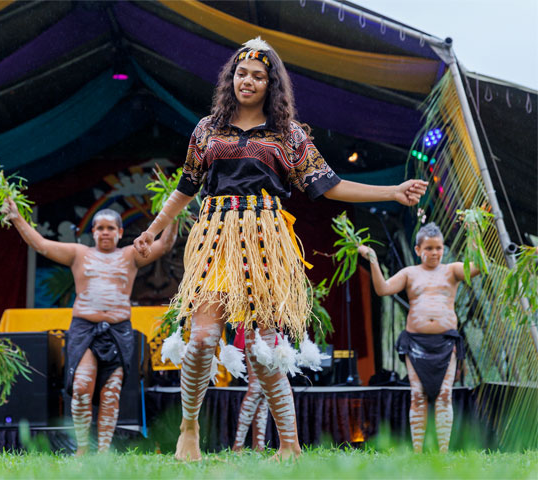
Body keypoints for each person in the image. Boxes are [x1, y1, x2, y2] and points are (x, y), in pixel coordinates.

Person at [133, 37, 428, 460]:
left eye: (258, 75)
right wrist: (153, 228)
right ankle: (189, 428)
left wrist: (392, 191)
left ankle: (289, 445)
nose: (248, 81)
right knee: (200, 340)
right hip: (215, 239)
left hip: (265, 243)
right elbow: (185, 188)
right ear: (230, 78)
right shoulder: (206, 129)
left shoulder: (287, 135)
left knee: (266, 346)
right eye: (241, 73)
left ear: (272, 85)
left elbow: (331, 186)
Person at [1, 197, 177, 455]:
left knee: (110, 393)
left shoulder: (130, 255)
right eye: (100, 228)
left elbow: (165, 244)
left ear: (119, 232)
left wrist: (174, 216)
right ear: (92, 232)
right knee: (82, 387)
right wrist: (16, 216)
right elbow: (39, 244)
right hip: (85, 328)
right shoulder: (78, 253)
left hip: (118, 330)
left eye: (110, 228)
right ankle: (83, 447)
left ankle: (103, 450)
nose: (105, 232)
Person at [358, 222, 478, 453]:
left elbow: (477, 268)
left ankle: (442, 452)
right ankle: (417, 452)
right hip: (415, 342)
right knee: (418, 396)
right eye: (429, 248)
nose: (434, 253)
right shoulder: (409, 273)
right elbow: (382, 289)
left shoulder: (452, 270)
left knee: (444, 395)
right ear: (417, 250)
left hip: (445, 342)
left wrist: (474, 237)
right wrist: (372, 259)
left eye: (439, 248)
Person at [232, 361, 268, 452]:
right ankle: (238, 446)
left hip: (272, 347)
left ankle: (259, 446)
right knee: (256, 388)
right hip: (255, 347)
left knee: (263, 390)